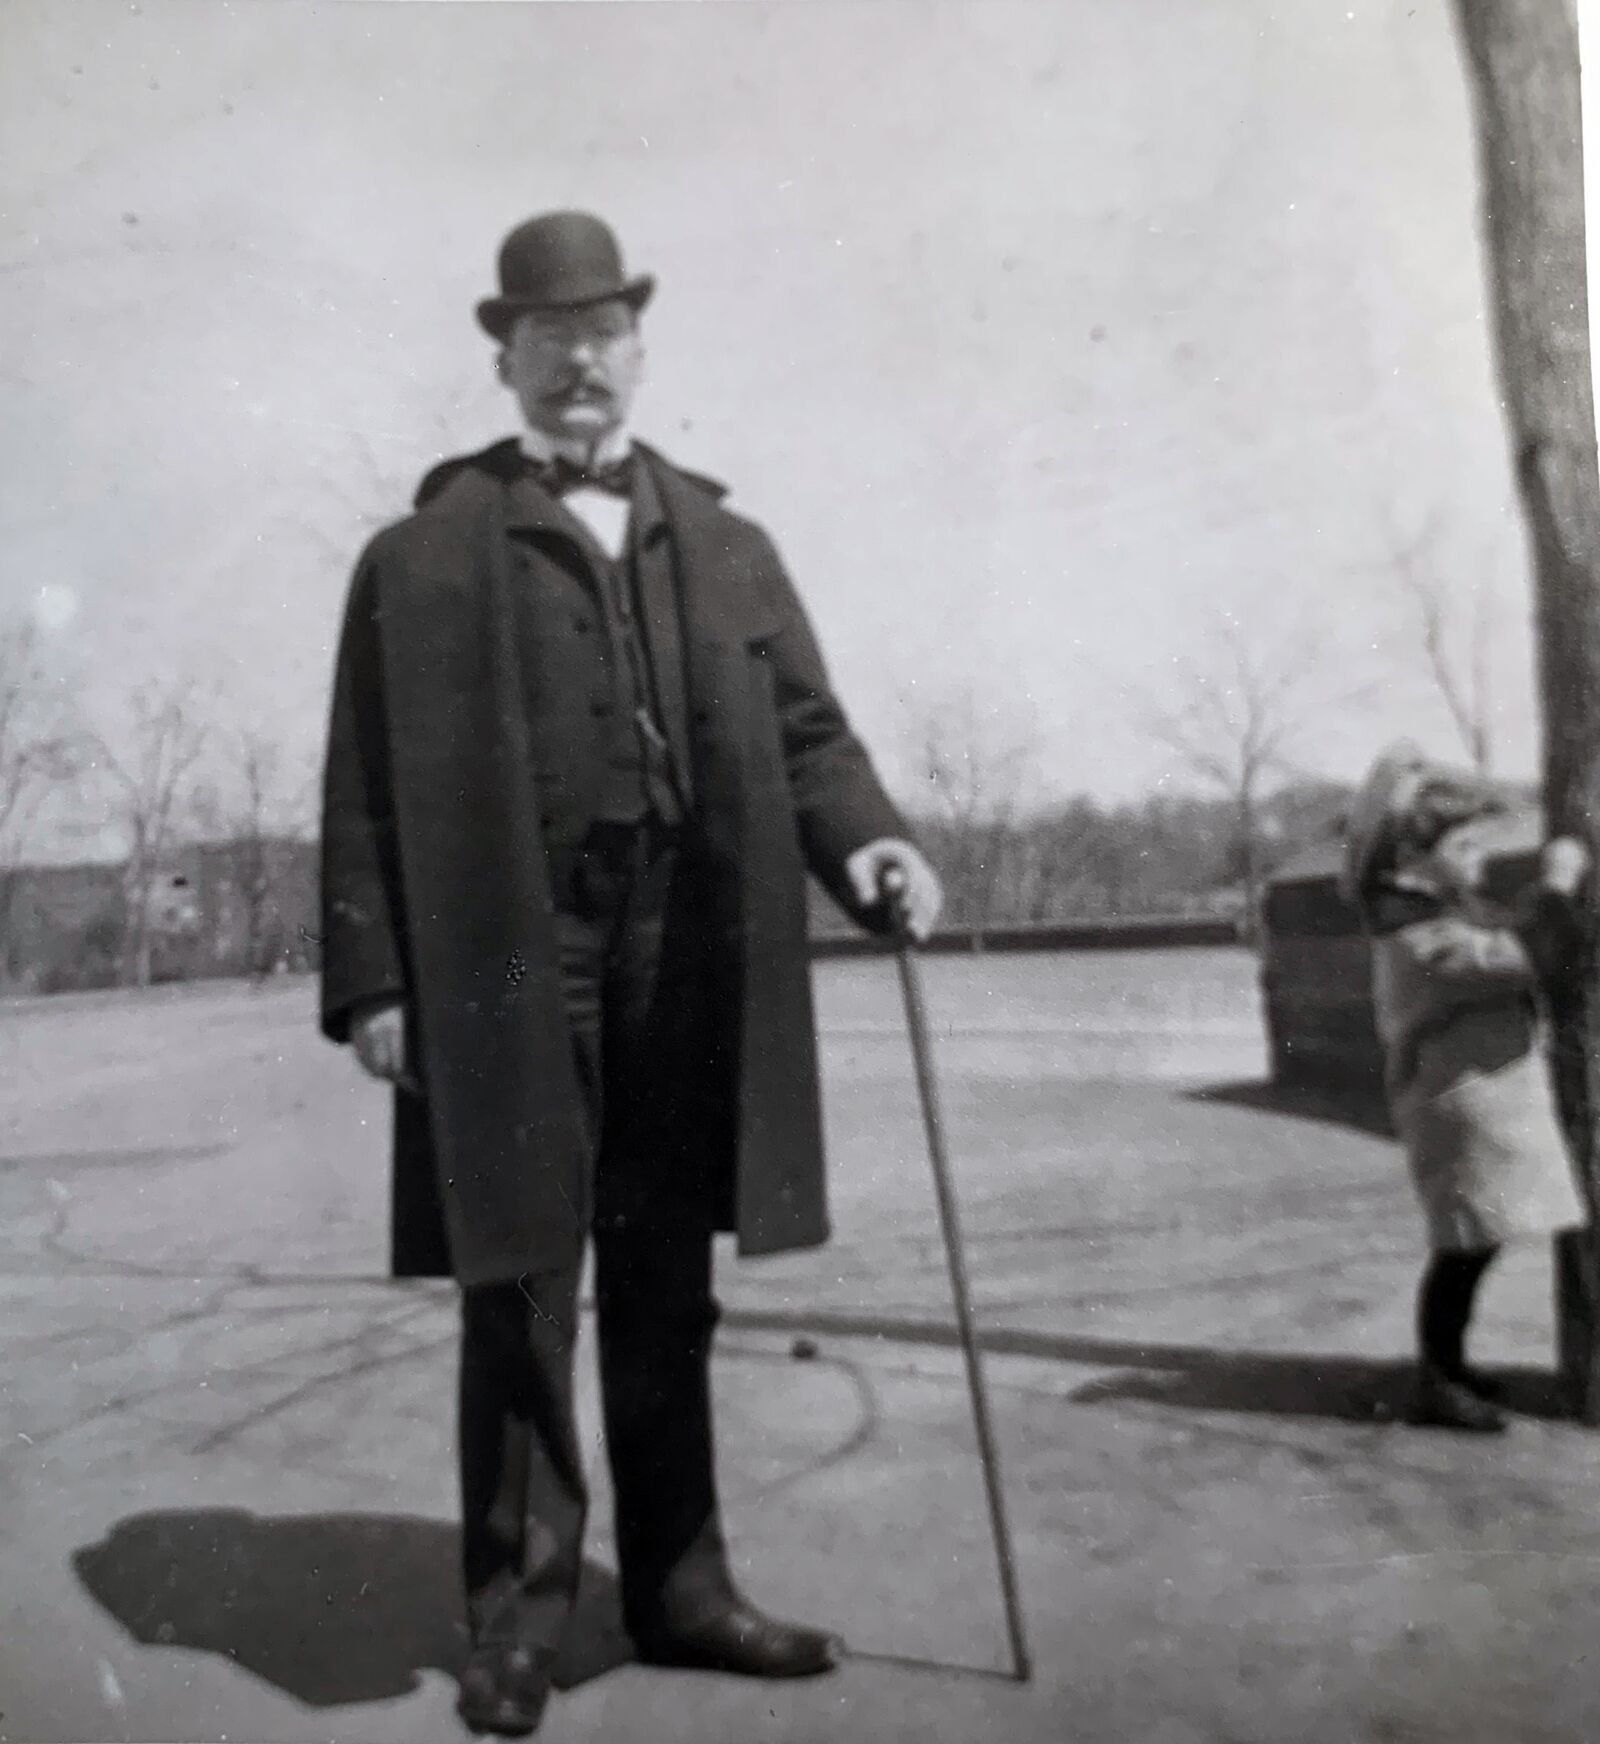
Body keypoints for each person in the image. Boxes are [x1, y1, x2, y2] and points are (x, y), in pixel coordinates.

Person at [318, 210, 942, 1736]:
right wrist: (376, 983)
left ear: (641, 349)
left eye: (602, 333)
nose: (579, 361)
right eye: (549, 336)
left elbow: (808, 735)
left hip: (691, 940)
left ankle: (683, 1589)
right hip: (511, 947)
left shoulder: (729, 544)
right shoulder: (420, 555)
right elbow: (362, 784)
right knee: (521, 1277)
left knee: (666, 1279)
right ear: (505, 360)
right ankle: (517, 1621)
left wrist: (872, 843)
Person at [1342, 741, 1590, 1433]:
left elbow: (1511, 932)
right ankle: (1439, 1378)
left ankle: (1448, 1366)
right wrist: (1560, 882)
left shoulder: (1436, 910)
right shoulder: (1420, 935)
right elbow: (1528, 955)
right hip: (1457, 1106)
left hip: (1472, 1097)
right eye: (1466, 846)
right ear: (1415, 857)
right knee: (1464, 1244)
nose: (1479, 858)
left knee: (1477, 1239)